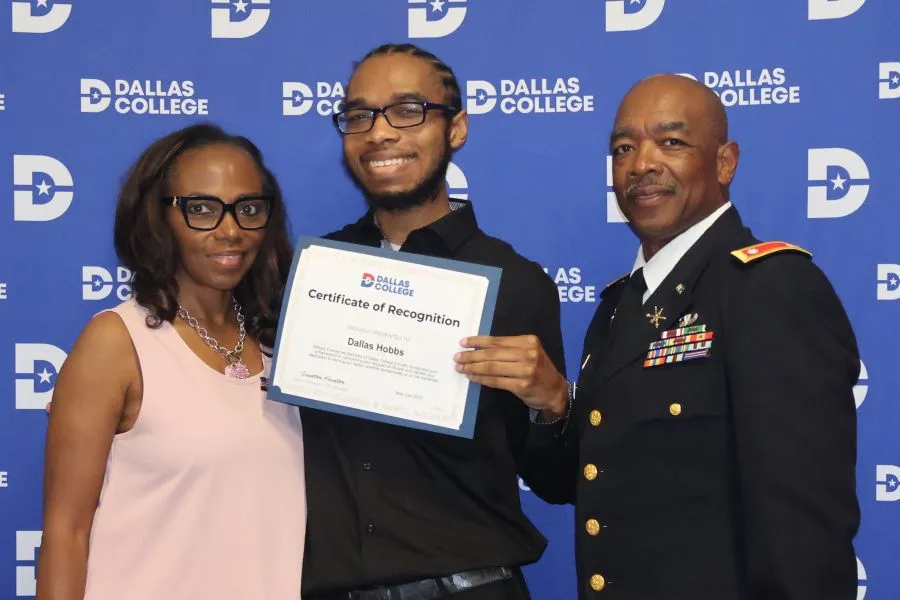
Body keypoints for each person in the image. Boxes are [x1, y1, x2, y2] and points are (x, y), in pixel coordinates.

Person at [455, 74, 861, 599]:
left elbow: (804, 526)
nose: (642, 163)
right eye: (624, 148)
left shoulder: (769, 287)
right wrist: (554, 406)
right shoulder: (621, 305)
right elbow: (574, 484)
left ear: (724, 162)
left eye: (671, 142)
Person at [300, 43, 566, 600]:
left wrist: (552, 404)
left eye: (408, 110)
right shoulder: (311, 274)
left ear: (457, 128)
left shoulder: (516, 282)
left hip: (471, 588)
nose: (380, 132)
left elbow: (556, 480)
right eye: (359, 115)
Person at [37, 124, 306, 600]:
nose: (231, 230)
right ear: (159, 218)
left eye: (248, 209)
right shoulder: (116, 341)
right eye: (201, 209)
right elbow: (66, 532)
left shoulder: (283, 346)